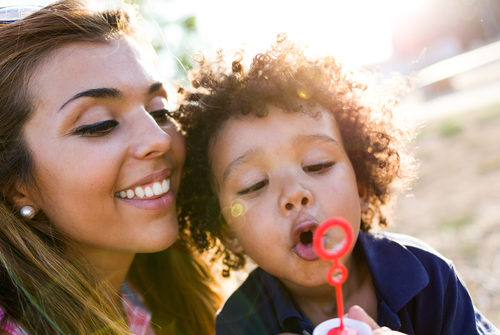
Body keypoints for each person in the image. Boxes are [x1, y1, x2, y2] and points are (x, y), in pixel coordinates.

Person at [175, 36, 498, 334]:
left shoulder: (424, 274)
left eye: (317, 165)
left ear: (361, 186)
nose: (294, 194)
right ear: (228, 229)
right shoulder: (240, 324)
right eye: (254, 185)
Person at [0, 1, 220, 334]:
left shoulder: (170, 303)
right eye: (99, 124)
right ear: (16, 185)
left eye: (160, 111)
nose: (157, 138)